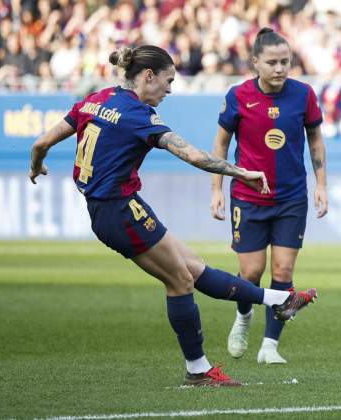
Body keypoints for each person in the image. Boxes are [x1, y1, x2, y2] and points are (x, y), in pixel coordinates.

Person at [28, 45, 318, 387]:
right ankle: (198, 369)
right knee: (180, 281)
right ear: (148, 76)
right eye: (168, 81)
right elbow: (194, 156)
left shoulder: (97, 98)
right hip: (118, 211)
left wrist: (36, 165)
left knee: (193, 267)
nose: (169, 90)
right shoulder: (139, 115)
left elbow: (40, 143)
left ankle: (281, 300)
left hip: (116, 207)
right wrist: (242, 173)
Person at [210, 28, 328, 364]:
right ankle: (244, 316)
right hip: (248, 197)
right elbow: (220, 145)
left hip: (291, 197)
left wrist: (320, 184)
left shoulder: (303, 94)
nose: (280, 68)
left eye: (285, 62)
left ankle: (269, 347)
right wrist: (216, 188)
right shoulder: (238, 96)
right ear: (255, 63)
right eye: (272, 62)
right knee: (250, 273)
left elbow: (316, 141)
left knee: (283, 269)